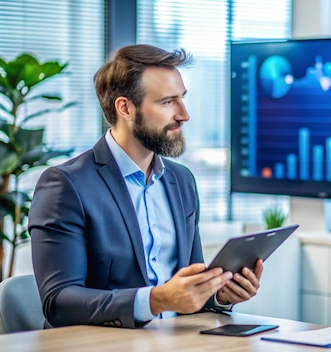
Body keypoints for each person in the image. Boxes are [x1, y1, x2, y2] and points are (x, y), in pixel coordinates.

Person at [29, 44, 263, 329]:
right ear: (125, 108)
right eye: (167, 102)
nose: (184, 115)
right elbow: (59, 302)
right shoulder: (66, 184)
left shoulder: (182, 182)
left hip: (179, 343)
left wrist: (219, 294)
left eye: (182, 99)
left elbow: (189, 286)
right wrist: (154, 300)